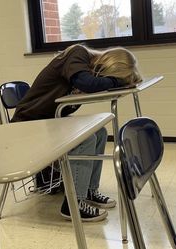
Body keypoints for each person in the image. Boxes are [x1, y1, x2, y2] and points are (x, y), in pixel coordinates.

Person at [11, 44, 142, 222]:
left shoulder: (83, 66)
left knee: (100, 132)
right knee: (85, 139)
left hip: (48, 122)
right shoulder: (77, 54)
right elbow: (86, 84)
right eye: (111, 76)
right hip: (28, 126)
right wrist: (118, 82)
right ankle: (73, 204)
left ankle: (88, 191)